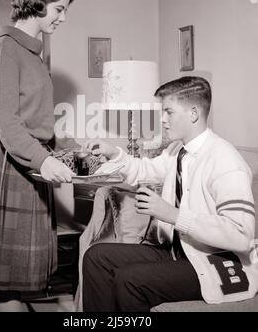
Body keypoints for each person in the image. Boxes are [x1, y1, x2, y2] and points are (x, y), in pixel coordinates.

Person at [83, 76, 258, 312]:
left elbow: (240, 235)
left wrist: (173, 215)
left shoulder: (226, 161)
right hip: (179, 253)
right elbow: (144, 169)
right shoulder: (177, 150)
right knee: (96, 257)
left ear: (193, 113)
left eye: (169, 112)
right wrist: (114, 153)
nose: (162, 120)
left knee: (130, 279)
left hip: (217, 263)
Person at [0, 0, 76, 312]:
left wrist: (74, 148)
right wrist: (45, 160)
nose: (63, 18)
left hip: (30, 163)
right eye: (59, 9)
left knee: (11, 274)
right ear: (39, 1)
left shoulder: (32, 52)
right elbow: (9, 126)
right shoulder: (7, 47)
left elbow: (36, 121)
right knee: (9, 279)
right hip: (13, 165)